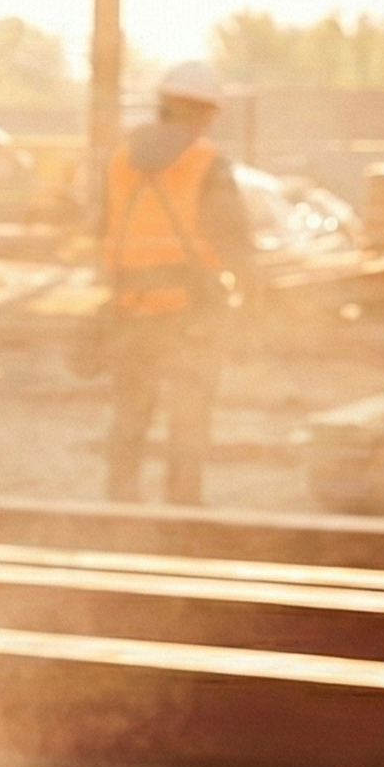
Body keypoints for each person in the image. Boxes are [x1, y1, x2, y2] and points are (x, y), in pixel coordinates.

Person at [99, 60, 258, 505]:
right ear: (207, 112)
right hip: (191, 313)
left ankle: (120, 501)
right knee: (188, 416)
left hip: (128, 308)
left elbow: (98, 228)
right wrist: (256, 301)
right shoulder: (206, 163)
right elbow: (235, 241)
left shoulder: (118, 160)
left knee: (130, 410)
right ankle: (183, 506)